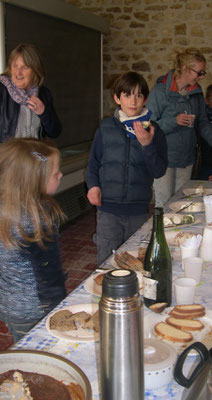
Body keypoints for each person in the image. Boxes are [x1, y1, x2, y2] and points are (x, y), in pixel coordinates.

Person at [86, 71, 168, 265]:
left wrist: (147, 145)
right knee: (107, 262)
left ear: (145, 99)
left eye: (139, 95)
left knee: (135, 263)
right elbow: (93, 164)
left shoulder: (154, 130)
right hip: (108, 210)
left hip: (137, 210)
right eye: (127, 95)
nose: (133, 101)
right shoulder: (105, 128)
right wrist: (93, 186)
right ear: (117, 98)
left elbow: (159, 171)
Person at [0, 138, 66, 343]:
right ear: (35, 180)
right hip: (39, 310)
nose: (61, 175)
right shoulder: (38, 218)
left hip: (11, 308)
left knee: (24, 345)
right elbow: (49, 273)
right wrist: (60, 308)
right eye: (56, 173)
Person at [146, 47, 212, 206]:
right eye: (199, 72)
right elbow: (147, 126)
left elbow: (203, 122)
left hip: (186, 158)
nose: (201, 77)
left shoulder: (196, 92)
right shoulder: (160, 91)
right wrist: (174, 121)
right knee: (164, 205)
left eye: (203, 73)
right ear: (184, 68)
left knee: (183, 204)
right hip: (164, 158)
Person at [0, 43, 61, 142]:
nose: (18, 72)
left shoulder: (44, 93)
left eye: (25, 67)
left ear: (35, 70)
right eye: (15, 66)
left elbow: (55, 132)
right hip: (7, 156)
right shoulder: (2, 90)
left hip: (34, 155)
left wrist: (44, 113)